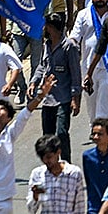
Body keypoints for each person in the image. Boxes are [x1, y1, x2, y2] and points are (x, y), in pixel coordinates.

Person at [0, 60, 54, 214]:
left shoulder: (11, 134)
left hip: (4, 199)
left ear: (9, 118)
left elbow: (25, 114)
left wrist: (41, 96)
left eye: (2, 109)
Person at [31, 13, 82, 162]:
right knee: (47, 137)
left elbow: (75, 73)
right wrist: (34, 82)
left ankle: (66, 163)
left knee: (61, 133)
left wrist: (75, 98)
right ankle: (50, 164)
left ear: (53, 28)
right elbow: (42, 66)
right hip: (48, 98)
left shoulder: (69, 46)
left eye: (47, 26)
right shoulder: (46, 45)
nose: (45, 29)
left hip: (63, 99)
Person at [26, 134, 87, 214]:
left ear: (58, 152)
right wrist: (35, 196)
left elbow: (79, 206)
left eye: (49, 157)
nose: (45, 161)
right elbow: (31, 209)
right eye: (42, 158)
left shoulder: (74, 173)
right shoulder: (37, 174)